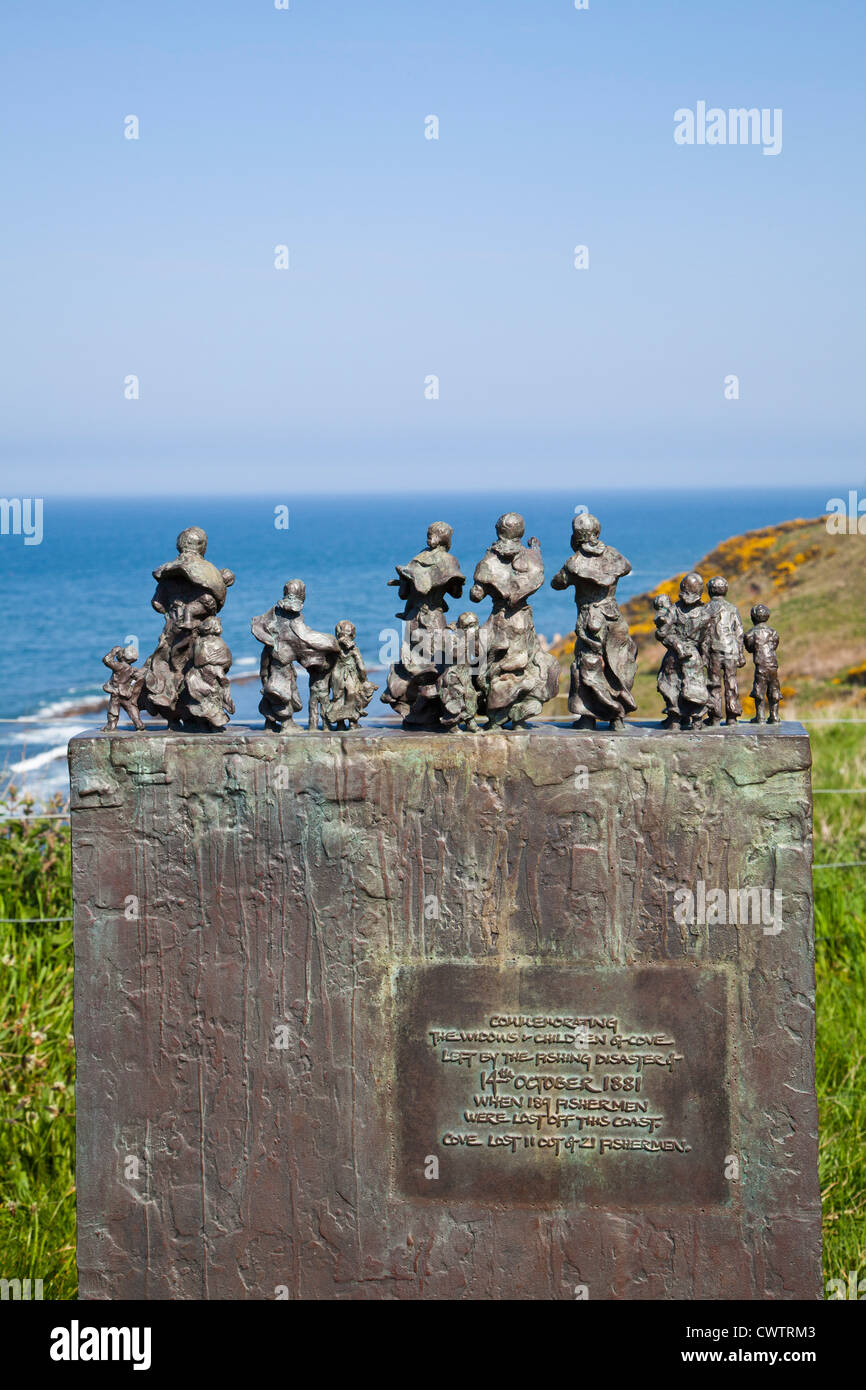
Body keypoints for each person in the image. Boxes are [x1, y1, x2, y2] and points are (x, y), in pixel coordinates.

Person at [471, 513, 560, 730]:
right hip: (521, 620)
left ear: (499, 531)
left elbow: (476, 595)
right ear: (521, 532)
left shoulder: (490, 559)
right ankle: (519, 719)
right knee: (522, 667)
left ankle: (494, 720)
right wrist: (536, 551)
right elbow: (537, 575)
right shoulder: (530, 557)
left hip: (499, 620)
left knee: (495, 668)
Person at [550, 513, 637, 730]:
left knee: (586, 664)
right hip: (613, 617)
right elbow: (625, 567)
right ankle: (618, 717)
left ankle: (587, 717)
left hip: (591, 620)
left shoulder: (575, 562)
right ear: (597, 532)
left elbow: (557, 583)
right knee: (618, 664)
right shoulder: (613, 555)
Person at [382, 522, 465, 726]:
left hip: (412, 618)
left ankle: (416, 711)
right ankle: (430, 712)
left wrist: (406, 580)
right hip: (434, 618)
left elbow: (403, 594)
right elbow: (457, 593)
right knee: (437, 665)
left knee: (413, 665)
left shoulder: (416, 560)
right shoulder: (449, 561)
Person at [252, 580, 338, 732]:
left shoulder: (275, 614)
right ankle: (286, 724)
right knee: (282, 692)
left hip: (273, 656)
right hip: (279, 661)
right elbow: (304, 638)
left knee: (273, 689)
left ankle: (270, 724)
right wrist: (331, 644)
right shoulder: (291, 620)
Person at [654, 573, 711, 730]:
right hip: (689, 655)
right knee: (684, 685)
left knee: (675, 684)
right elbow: (706, 641)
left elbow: (662, 634)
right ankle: (687, 720)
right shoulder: (705, 613)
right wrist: (704, 658)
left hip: (678, 654)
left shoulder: (674, 610)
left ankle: (679, 720)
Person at [705, 576, 745, 726]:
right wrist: (740, 654)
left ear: (709, 591)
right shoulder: (732, 609)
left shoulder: (705, 609)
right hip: (730, 650)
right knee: (731, 682)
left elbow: (702, 634)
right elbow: (739, 632)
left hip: (713, 651)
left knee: (713, 683)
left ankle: (714, 716)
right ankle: (732, 717)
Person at [326, 621, 378, 729]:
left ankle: (340, 724)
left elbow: (327, 662)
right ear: (353, 635)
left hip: (336, 675)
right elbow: (361, 667)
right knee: (352, 696)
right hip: (349, 675)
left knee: (337, 698)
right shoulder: (354, 650)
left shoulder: (334, 649)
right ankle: (352, 723)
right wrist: (364, 680)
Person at [744, 603, 781, 724]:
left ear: (753, 618)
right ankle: (774, 715)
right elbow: (774, 645)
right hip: (772, 664)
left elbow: (749, 648)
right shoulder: (773, 632)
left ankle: (760, 716)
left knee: (759, 690)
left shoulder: (750, 634)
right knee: (774, 688)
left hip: (760, 666)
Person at [101, 643, 146, 731]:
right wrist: (132, 688)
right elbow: (140, 678)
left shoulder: (119, 666)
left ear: (123, 656)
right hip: (126, 692)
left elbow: (106, 660)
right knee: (131, 707)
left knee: (113, 709)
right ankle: (139, 724)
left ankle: (111, 726)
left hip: (116, 692)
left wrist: (113, 651)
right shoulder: (132, 669)